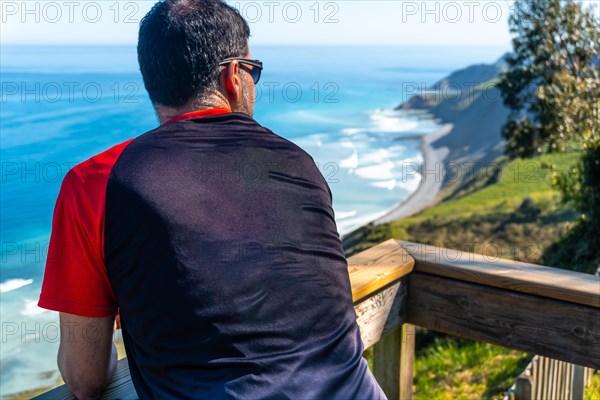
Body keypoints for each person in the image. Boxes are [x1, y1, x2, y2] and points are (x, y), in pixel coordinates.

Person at [38, 0, 387, 398]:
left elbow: (85, 378)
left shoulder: (95, 183)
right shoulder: (298, 163)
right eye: (254, 71)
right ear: (234, 76)